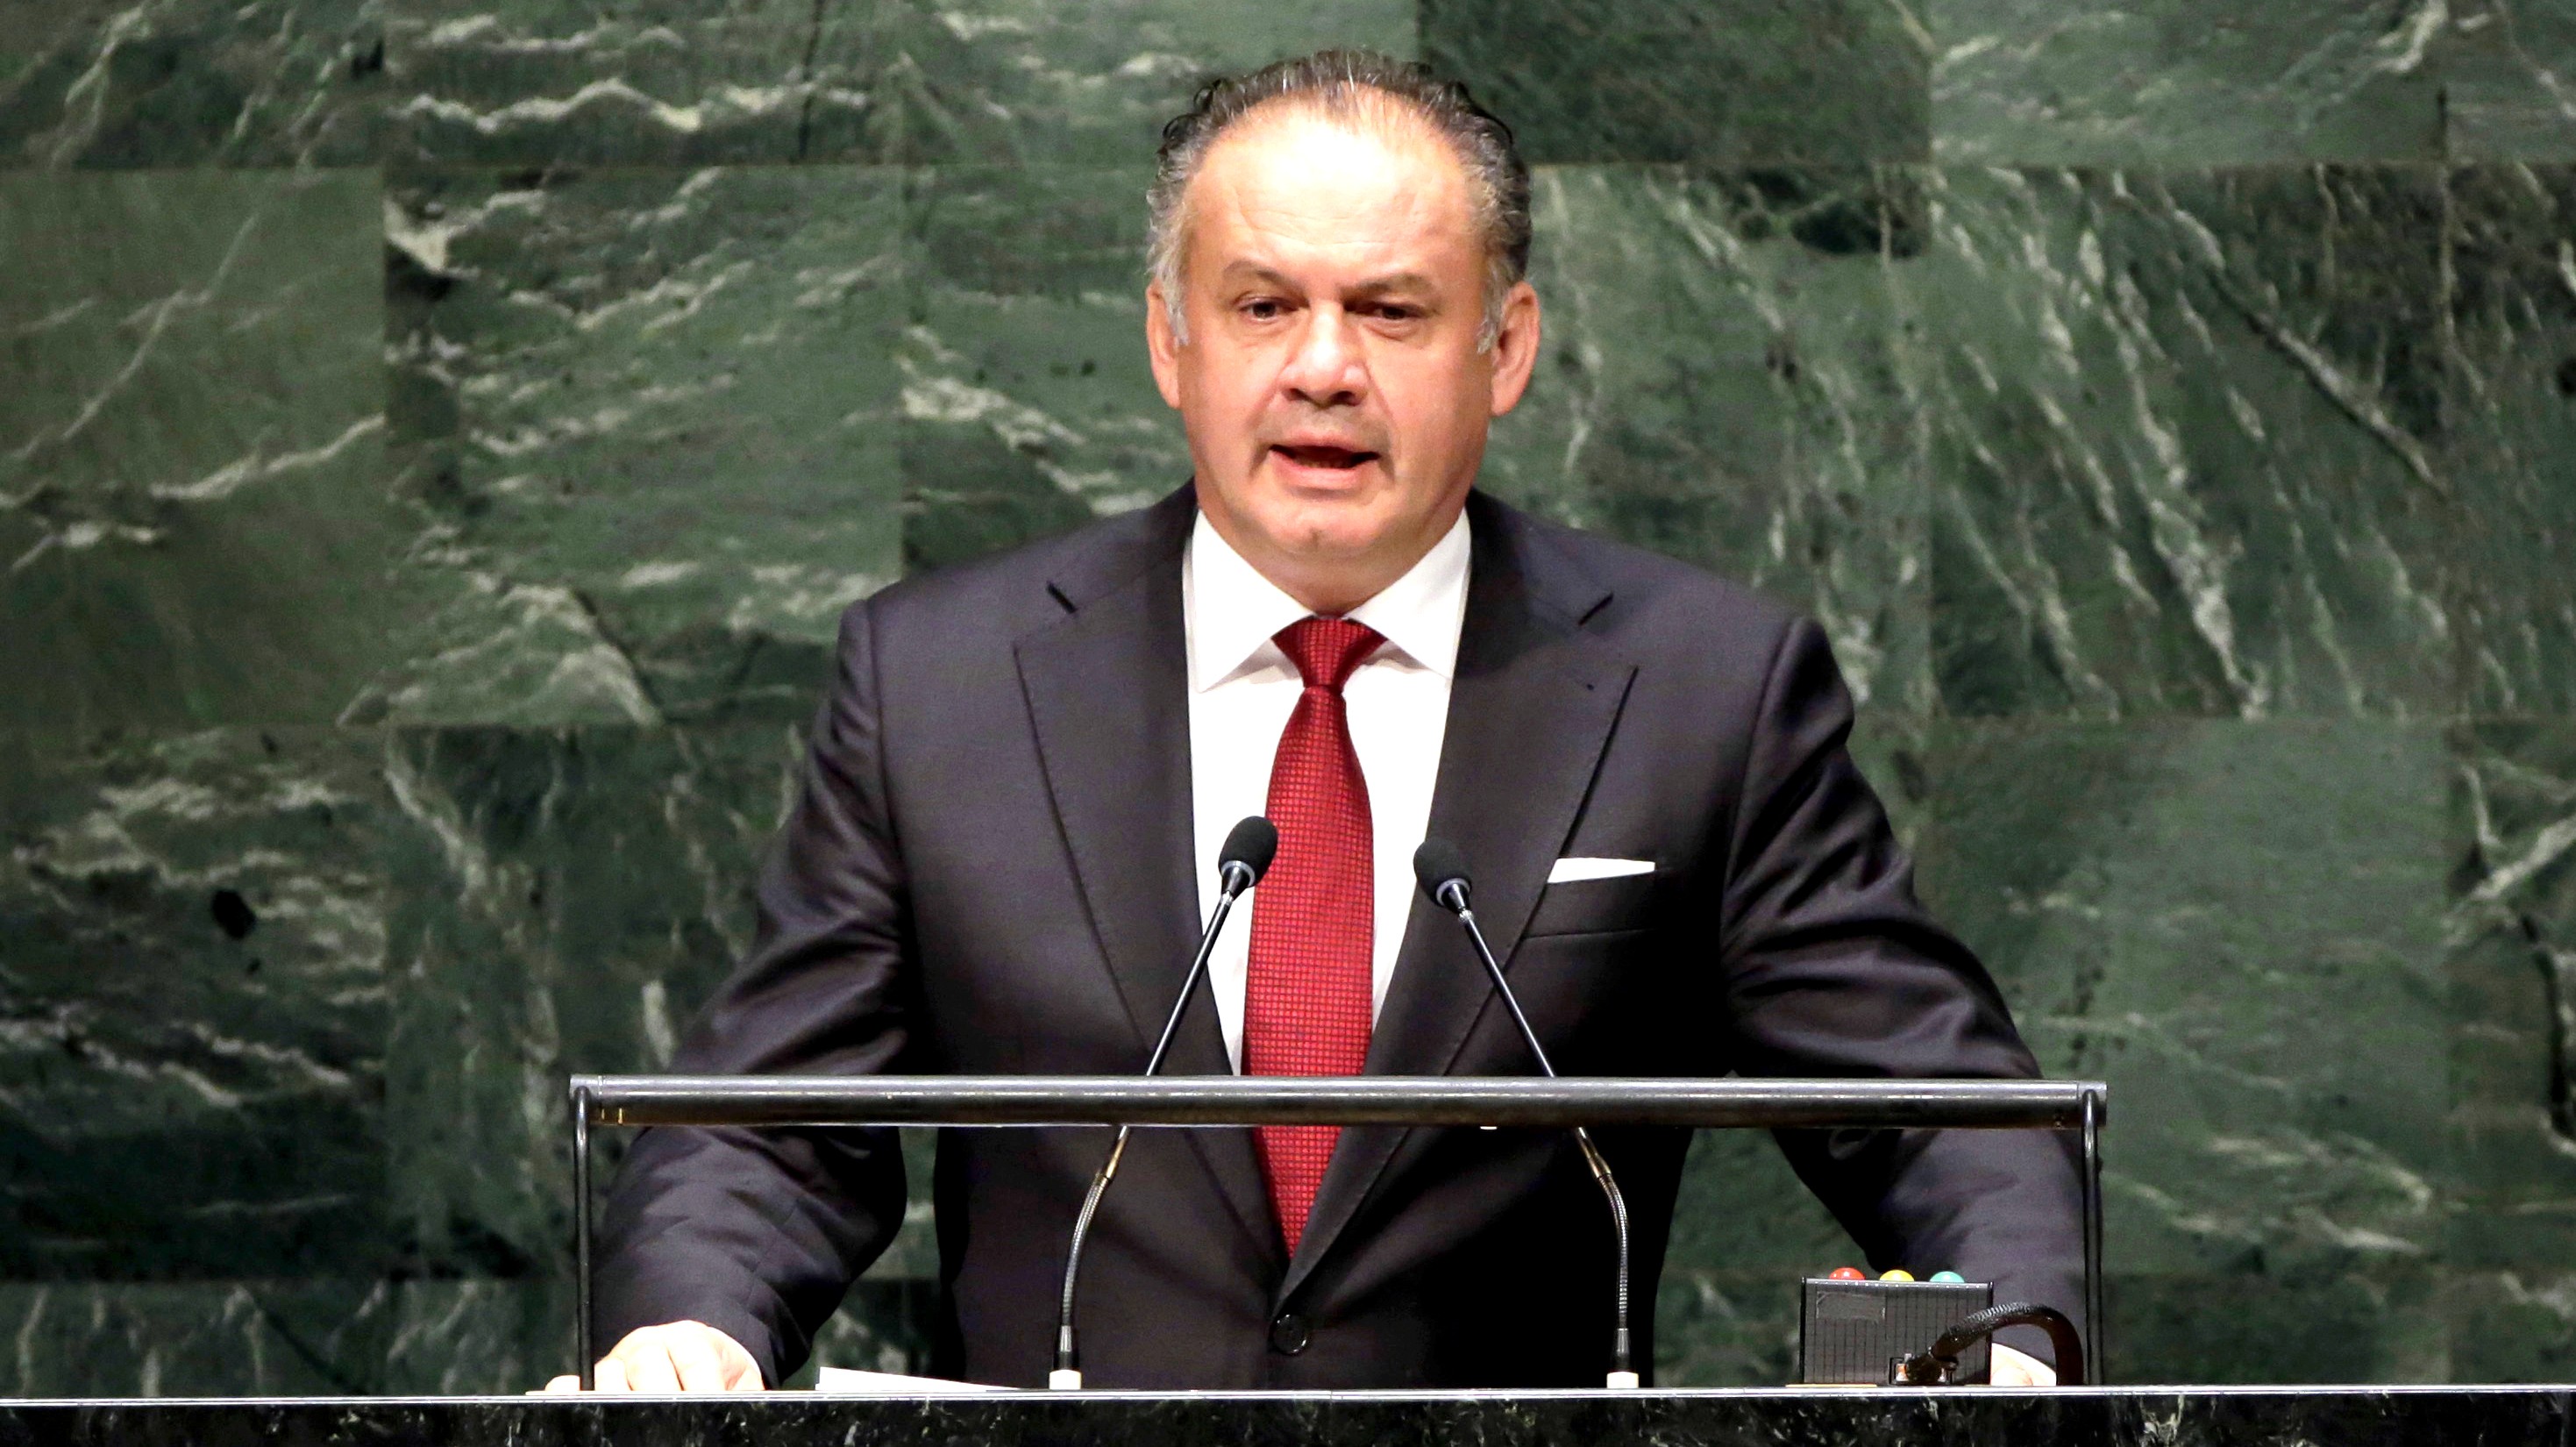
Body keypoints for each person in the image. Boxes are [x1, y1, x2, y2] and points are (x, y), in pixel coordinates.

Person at [560, 50, 2081, 1394]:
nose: (1322, 368)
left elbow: (1935, 1109)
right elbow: (765, 1123)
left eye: (1391, 311)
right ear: (1171, 344)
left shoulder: (1702, 690)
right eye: (1262, 305)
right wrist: (693, 1327)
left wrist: (2013, 1344)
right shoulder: (938, 684)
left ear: (1505, 347)